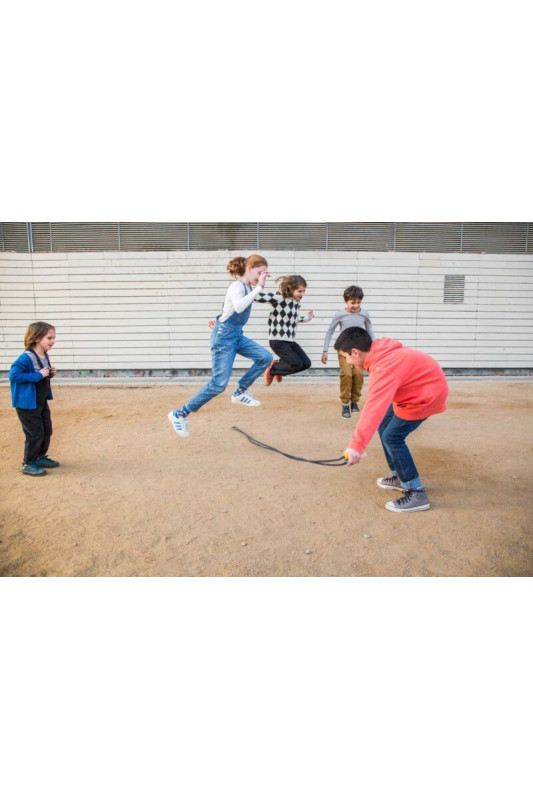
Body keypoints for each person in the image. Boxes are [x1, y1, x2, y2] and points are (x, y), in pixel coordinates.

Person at [335, 327, 448, 513]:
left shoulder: (384, 367)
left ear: (355, 352)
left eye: (346, 357)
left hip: (426, 397)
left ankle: (416, 491)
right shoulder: (380, 355)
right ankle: (399, 476)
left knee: (392, 437)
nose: (347, 362)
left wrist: (356, 446)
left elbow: (373, 407)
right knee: (384, 425)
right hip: (417, 391)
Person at [168, 255, 273, 438]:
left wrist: (218, 319)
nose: (261, 276)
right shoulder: (237, 286)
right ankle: (180, 414)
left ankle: (240, 392)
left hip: (235, 335)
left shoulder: (248, 287)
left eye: (263, 273)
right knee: (218, 384)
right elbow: (239, 307)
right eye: (259, 272)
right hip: (224, 338)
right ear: (249, 269)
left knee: (265, 357)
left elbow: (229, 308)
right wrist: (259, 287)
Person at [9, 321, 60, 476]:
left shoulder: (43, 355)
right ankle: (28, 463)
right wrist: (38, 375)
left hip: (40, 400)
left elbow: (41, 374)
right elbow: (14, 375)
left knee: (46, 429)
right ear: (37, 338)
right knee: (35, 433)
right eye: (49, 338)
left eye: (53, 338)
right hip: (27, 404)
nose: (52, 341)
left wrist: (48, 373)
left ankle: (39, 457)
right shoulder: (26, 357)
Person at [321, 285, 375, 418]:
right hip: (344, 348)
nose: (356, 305)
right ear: (346, 301)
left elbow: (369, 330)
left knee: (358, 374)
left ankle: (354, 401)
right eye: (353, 303)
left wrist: (375, 347)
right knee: (347, 374)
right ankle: (345, 404)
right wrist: (325, 350)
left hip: (360, 349)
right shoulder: (340, 314)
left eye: (358, 302)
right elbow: (330, 331)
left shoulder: (364, 314)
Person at [254, 274, 314, 385]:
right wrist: (242, 289)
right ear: (290, 289)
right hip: (278, 340)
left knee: (306, 363)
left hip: (289, 340)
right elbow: (257, 296)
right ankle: (273, 369)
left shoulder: (295, 302)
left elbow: (293, 319)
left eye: (304, 291)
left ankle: (279, 369)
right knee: (296, 363)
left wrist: (306, 318)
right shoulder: (279, 298)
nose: (302, 294)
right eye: (299, 291)